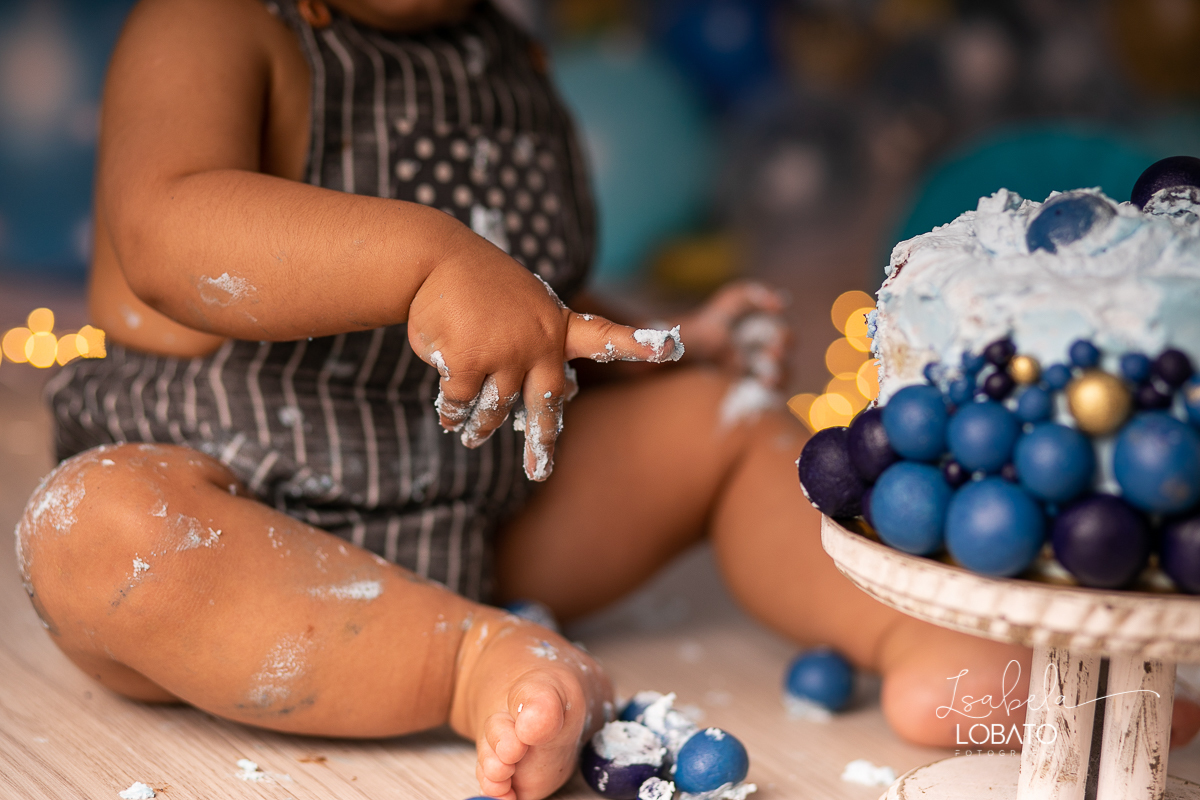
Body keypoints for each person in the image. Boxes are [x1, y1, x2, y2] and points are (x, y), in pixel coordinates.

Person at [21, 2, 1194, 799]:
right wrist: (431, 264)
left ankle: (911, 640)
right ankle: (470, 664)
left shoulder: (504, 66)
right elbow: (166, 228)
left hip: (469, 501)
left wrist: (648, 345)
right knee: (93, 532)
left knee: (725, 428)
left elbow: (534, 294)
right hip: (237, 520)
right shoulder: (212, 27)